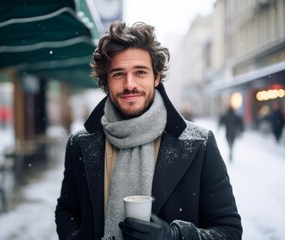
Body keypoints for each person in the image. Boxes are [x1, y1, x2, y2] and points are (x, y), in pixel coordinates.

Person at [55, 21, 242, 240]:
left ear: (156, 77)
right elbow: (67, 211)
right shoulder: (80, 143)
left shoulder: (199, 143)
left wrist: (174, 236)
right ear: (106, 80)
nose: (129, 84)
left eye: (140, 72)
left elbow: (229, 231)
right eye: (118, 74)